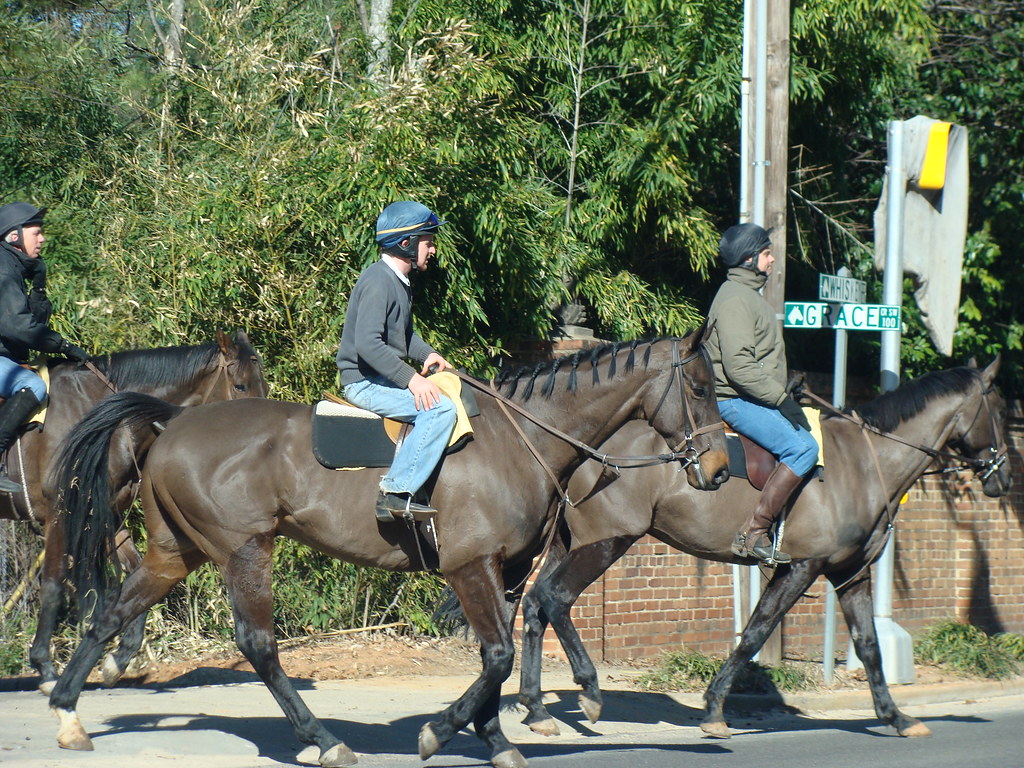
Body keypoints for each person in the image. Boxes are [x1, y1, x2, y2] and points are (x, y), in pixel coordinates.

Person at [337, 201, 457, 522]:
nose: (432, 250)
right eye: (428, 242)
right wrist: (412, 378)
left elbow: (402, 335)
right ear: (406, 244)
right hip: (364, 384)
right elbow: (367, 344)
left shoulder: (398, 283)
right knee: (440, 410)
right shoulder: (379, 282)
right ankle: (395, 493)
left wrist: (426, 353)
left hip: (380, 380)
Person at [706, 222, 818, 564]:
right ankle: (754, 531)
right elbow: (739, 367)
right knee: (803, 448)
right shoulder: (736, 300)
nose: (773, 261)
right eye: (768, 254)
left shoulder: (746, 296)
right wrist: (780, 400)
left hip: (750, 397)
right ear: (750, 259)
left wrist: (783, 390)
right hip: (733, 401)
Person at [0, 202, 91, 494]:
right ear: (14, 236)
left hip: (8, 358)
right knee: (32, 385)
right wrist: (62, 345)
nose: (42, 239)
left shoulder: (14, 268)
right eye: (36, 233)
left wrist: (39, 285)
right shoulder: (2, 270)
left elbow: (36, 321)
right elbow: (19, 327)